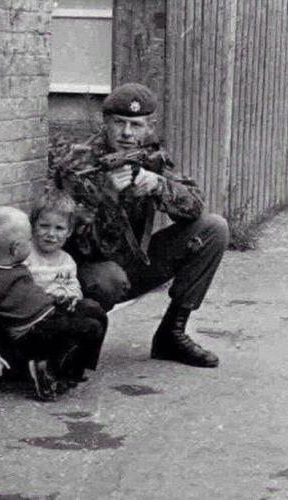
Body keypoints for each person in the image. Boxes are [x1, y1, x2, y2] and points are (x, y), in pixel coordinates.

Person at [49, 82, 229, 368]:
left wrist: (159, 185)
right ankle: (73, 343)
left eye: (136, 125)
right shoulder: (80, 163)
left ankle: (172, 334)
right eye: (118, 123)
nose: (127, 133)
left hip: (133, 263)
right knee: (109, 279)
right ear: (105, 122)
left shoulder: (147, 155)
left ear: (149, 127)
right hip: (86, 271)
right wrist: (108, 196)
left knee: (214, 228)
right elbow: (80, 243)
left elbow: (195, 205)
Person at [0, 206, 107, 401]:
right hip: (28, 334)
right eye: (28, 240)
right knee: (88, 327)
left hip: (48, 316)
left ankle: (72, 370)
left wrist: (58, 299)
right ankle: (46, 371)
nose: (31, 243)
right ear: (15, 248)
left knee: (94, 310)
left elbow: (30, 296)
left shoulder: (15, 266)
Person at [25, 187, 108, 383]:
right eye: (44, 226)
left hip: (61, 309)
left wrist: (70, 296)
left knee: (95, 312)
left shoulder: (66, 260)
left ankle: (76, 368)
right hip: (37, 317)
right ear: (33, 226)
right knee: (81, 325)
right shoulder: (27, 256)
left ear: (69, 231)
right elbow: (22, 290)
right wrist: (49, 295)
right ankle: (50, 368)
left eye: (59, 228)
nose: (51, 234)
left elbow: (74, 287)